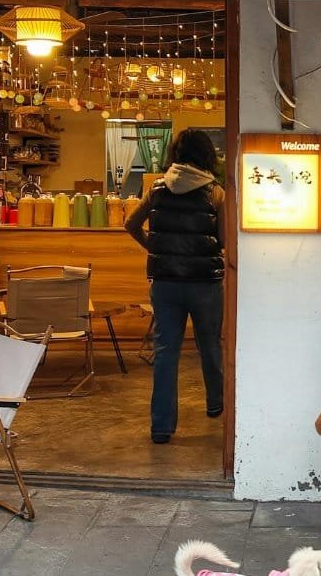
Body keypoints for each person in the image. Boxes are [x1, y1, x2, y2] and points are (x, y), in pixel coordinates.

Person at [125, 129, 225, 444]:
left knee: (166, 352)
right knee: (209, 346)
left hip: (165, 284)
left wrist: (155, 249)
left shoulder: (156, 189)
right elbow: (223, 240)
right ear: (206, 155)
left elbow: (130, 225)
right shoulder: (215, 193)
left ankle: (161, 428)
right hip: (205, 283)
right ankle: (216, 404)